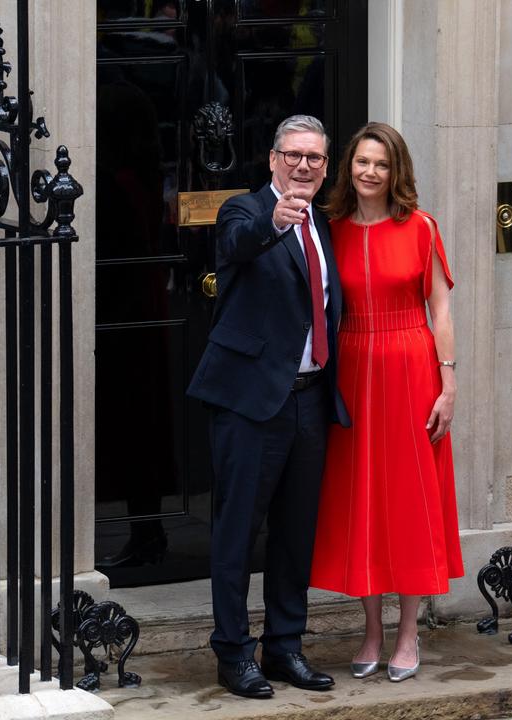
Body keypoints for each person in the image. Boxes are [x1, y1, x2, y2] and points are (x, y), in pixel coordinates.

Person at [186, 115, 350, 699]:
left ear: (326, 166)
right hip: (250, 403)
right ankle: (234, 654)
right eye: (293, 155)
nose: (304, 166)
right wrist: (273, 223)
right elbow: (236, 243)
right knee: (236, 531)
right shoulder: (244, 211)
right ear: (273, 159)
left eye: (315, 158)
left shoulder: (325, 224)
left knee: (294, 534)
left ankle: (285, 647)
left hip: (309, 400)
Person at [310, 122, 463, 682]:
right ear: (347, 168)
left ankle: (407, 633)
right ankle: (370, 631)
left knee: (408, 499)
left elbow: (440, 310)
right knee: (362, 500)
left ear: (396, 171)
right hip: (351, 369)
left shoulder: (421, 228)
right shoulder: (331, 230)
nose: (370, 172)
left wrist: (448, 385)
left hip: (410, 368)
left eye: (381, 164)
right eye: (361, 162)